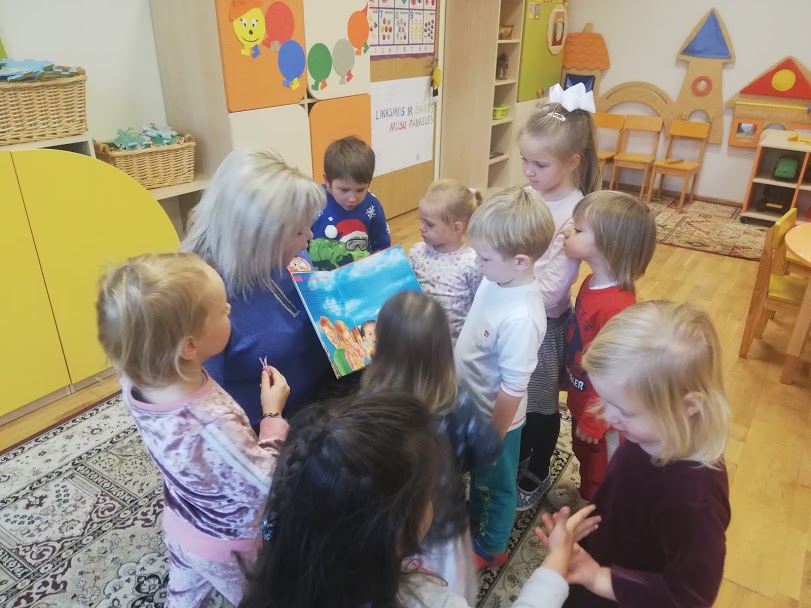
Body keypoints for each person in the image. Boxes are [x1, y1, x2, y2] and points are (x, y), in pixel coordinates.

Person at [239, 391, 601, 608]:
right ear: (395, 525)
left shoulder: (281, 552)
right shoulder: (429, 600)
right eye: (430, 489)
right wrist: (554, 565)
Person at [96, 252, 291, 607]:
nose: (230, 310)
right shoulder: (212, 422)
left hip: (181, 522)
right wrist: (272, 416)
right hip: (229, 547)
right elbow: (266, 484)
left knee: (184, 596)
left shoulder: (135, 382)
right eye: (223, 310)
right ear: (189, 345)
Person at [557, 300, 731, 607]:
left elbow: (690, 597)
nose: (607, 416)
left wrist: (598, 577)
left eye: (624, 410)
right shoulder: (647, 434)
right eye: (606, 400)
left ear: (688, 406)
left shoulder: (695, 501)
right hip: (604, 556)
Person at [362, 291, 501, 602]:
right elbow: (489, 450)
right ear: (443, 350)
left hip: (391, 526)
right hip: (442, 522)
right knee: (448, 589)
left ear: (380, 347)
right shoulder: (457, 403)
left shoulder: (368, 399)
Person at [180, 148, 329, 425]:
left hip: (327, 388)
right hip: (269, 426)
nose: (309, 236)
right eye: (298, 231)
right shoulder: (203, 296)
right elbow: (207, 414)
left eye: (309, 225)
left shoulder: (288, 253)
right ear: (256, 238)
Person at [454, 187, 555, 569]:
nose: (476, 262)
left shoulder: (521, 318)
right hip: (474, 404)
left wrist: (493, 438)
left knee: (498, 482)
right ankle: (475, 513)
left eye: (483, 257)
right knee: (481, 474)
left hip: (498, 420)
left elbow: (513, 388)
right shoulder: (497, 277)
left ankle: (493, 546)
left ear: (520, 261)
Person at [516, 88, 601, 512]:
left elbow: (552, 287)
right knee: (514, 390)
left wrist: (510, 283)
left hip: (545, 322)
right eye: (525, 161)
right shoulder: (530, 195)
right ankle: (517, 455)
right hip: (516, 309)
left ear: (572, 162)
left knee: (541, 403)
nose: (529, 172)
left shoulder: (575, 213)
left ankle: (538, 469)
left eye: (540, 164)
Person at [547, 191, 657, 510]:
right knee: (584, 454)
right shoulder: (591, 282)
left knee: (600, 465)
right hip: (584, 396)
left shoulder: (616, 307)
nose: (568, 232)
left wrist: (597, 419)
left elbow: (618, 372)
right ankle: (588, 495)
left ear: (608, 246)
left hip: (603, 413)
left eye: (579, 229)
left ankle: (593, 513)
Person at [407, 180, 483, 343]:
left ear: (456, 228)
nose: (422, 227)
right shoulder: (416, 252)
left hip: (455, 342)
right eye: (421, 221)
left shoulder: (472, 262)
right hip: (419, 336)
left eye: (430, 224)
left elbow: (480, 303)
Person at [309, 136, 391, 270]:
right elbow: (299, 246)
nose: (352, 198)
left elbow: (382, 246)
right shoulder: (313, 202)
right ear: (327, 180)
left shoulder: (372, 206)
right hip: (319, 277)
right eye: (344, 190)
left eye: (360, 190)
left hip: (360, 274)